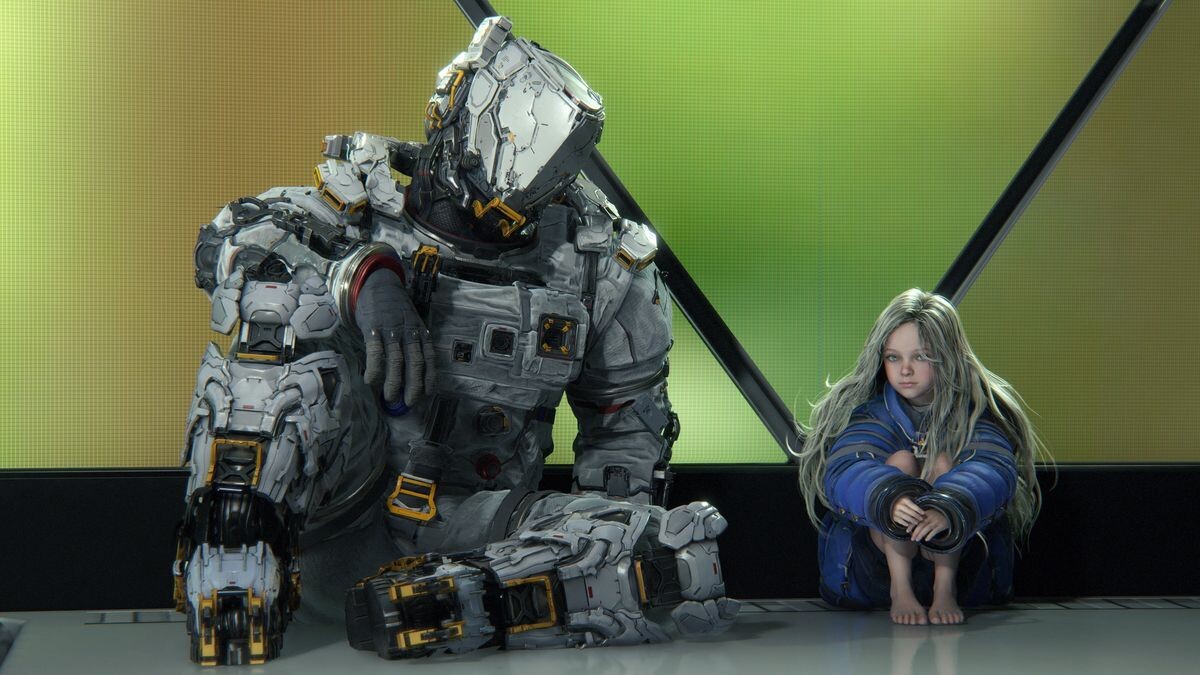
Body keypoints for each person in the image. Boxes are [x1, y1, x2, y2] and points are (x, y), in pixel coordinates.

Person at [172, 16, 735, 665]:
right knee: (274, 325)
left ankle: (447, 605)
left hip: (475, 531)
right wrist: (361, 277)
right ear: (447, 121)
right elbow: (230, 247)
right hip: (333, 508)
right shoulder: (347, 214)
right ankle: (234, 576)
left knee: (675, 556)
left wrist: (599, 545)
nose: (479, 223)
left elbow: (627, 435)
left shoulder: (599, 269)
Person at [796, 289, 1044, 625]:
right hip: (878, 564)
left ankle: (944, 588)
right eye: (893, 358)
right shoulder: (871, 415)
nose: (905, 370)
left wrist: (951, 506)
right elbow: (846, 467)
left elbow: (992, 467)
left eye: (921, 357)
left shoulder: (974, 415)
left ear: (947, 357)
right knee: (900, 464)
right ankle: (900, 589)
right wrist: (888, 500)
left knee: (943, 465)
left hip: (959, 560)